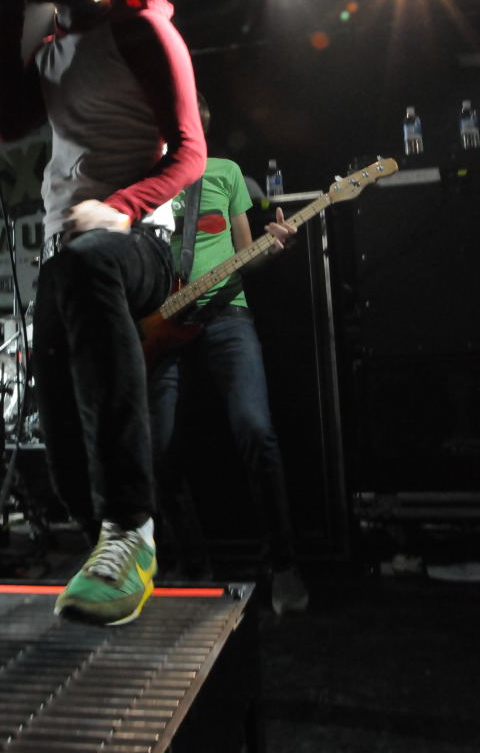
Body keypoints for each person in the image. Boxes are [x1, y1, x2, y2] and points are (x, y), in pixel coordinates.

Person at [0, 0, 206, 625]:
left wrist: (122, 208)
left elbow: (191, 152)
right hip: (70, 257)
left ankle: (132, 531)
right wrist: (7, 25)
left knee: (86, 266)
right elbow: (10, 123)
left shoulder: (141, 28)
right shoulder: (52, 45)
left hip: (138, 243)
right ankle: (108, 548)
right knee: (62, 444)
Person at [149, 94, 309, 615]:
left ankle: (283, 563)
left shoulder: (225, 172)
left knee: (256, 430)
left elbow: (246, 255)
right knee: (158, 450)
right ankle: (192, 563)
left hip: (227, 317)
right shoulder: (144, 183)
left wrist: (272, 246)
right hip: (162, 328)